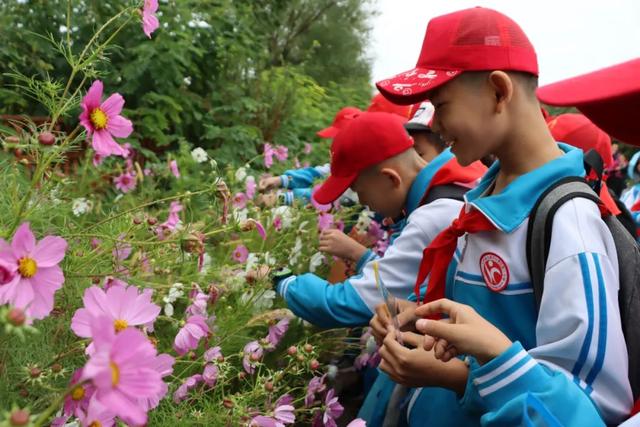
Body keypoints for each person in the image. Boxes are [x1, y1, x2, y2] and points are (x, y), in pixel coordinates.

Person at [371, 6, 631, 426]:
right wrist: (421, 321)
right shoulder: (486, 202)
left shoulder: (568, 223)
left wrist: (455, 378)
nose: (434, 124)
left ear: (498, 91)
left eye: (441, 104)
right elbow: (484, 326)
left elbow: (592, 404)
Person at [272, 111, 486, 329]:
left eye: (360, 191)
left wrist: (279, 278)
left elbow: (347, 303)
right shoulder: (458, 177)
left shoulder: (430, 218)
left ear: (390, 178)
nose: (363, 203)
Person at [257, 106, 361, 206]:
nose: (334, 145)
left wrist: (281, 198)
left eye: (338, 139)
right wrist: (279, 180)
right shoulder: (341, 165)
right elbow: (314, 174)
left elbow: (331, 199)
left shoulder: (360, 178)